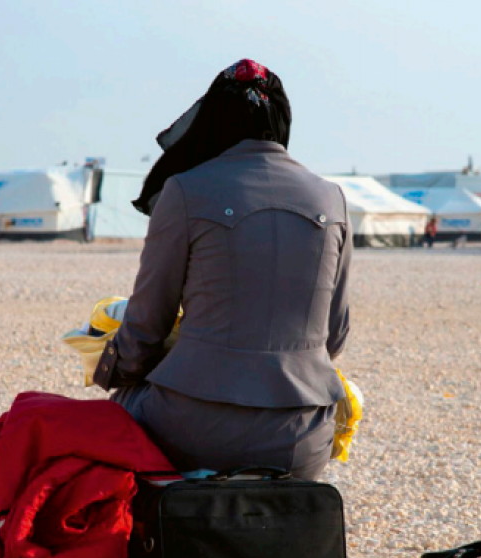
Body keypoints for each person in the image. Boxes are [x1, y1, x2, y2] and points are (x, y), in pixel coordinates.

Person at [92, 59, 351, 481]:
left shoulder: (185, 190)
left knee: (121, 409)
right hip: (301, 441)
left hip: (192, 434)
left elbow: (145, 327)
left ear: (211, 123)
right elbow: (334, 337)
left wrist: (113, 371)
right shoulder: (332, 198)